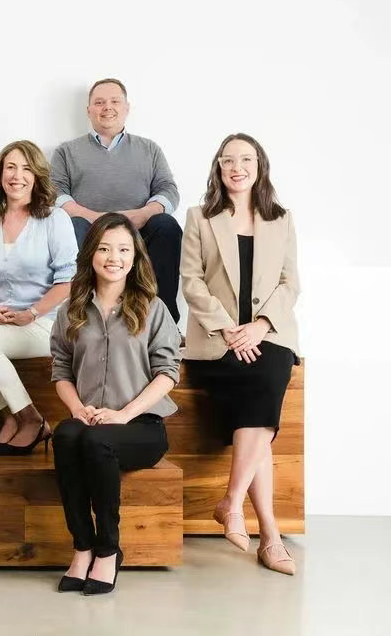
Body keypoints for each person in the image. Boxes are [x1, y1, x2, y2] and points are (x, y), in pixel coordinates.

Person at [181, 133, 300, 576]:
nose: (237, 168)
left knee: (267, 377)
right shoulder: (199, 217)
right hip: (218, 339)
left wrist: (261, 326)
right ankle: (269, 536)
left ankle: (233, 504)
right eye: (228, 160)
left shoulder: (282, 220)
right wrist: (230, 329)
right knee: (259, 411)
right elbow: (191, 281)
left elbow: (290, 284)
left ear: (259, 166)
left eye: (246, 159)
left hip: (269, 334)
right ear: (218, 167)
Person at [49, 212, 180, 595]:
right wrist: (77, 409)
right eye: (105, 249)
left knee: (96, 441)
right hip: (91, 418)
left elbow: (168, 373)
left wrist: (123, 415)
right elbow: (61, 370)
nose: (114, 258)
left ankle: (108, 549)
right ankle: (82, 546)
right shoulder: (71, 309)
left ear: (135, 257)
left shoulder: (153, 308)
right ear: (91, 254)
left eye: (123, 250)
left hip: (141, 426)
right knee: (65, 435)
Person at [0, 141, 77, 453]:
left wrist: (30, 313)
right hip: (4, 323)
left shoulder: (55, 219)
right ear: (0, 174)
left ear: (37, 176)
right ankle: (10, 417)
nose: (17, 175)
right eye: (11, 167)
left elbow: (68, 281)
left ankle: (28, 417)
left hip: (47, 322)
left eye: (26, 168)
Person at [50, 78, 182, 321]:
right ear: (89, 110)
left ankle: (165, 321)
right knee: (71, 226)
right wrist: (95, 218)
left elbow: (168, 190)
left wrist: (142, 215)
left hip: (139, 231)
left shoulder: (149, 149)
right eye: (99, 102)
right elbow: (55, 192)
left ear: (127, 108)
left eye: (114, 101)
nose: (107, 107)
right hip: (88, 230)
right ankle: (80, 318)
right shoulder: (66, 151)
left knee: (166, 225)